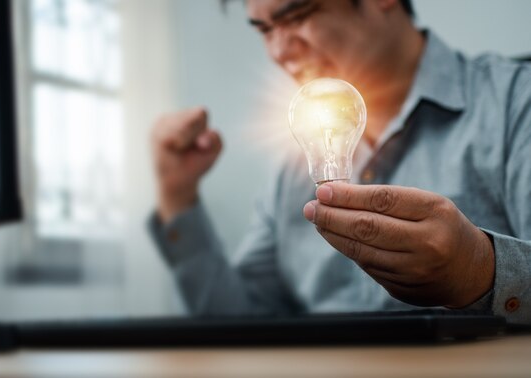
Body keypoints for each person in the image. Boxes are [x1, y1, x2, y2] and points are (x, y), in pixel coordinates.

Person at [148, 0, 531, 324]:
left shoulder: (515, 105)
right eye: (264, 30)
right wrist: (177, 196)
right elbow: (242, 321)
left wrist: (479, 270)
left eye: (297, 16)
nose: (279, 51)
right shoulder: (292, 162)